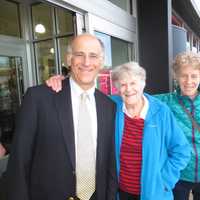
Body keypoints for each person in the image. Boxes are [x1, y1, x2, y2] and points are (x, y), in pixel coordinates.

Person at [46, 61, 191, 200]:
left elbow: (181, 151)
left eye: (133, 83)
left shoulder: (160, 112)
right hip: (120, 192)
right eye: (123, 84)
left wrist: (164, 180)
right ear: (117, 88)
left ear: (143, 84)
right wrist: (63, 83)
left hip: (154, 192)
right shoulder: (111, 106)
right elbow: (81, 95)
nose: (128, 89)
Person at [6, 33, 117, 200]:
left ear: (101, 62)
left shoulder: (109, 106)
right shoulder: (38, 98)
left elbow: (109, 161)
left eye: (93, 56)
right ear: (69, 59)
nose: (87, 62)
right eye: (79, 54)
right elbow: (19, 161)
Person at [154, 51, 200, 200]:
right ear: (176, 76)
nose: (189, 81)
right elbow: (134, 98)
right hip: (178, 173)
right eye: (183, 75)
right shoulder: (164, 102)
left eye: (194, 76)